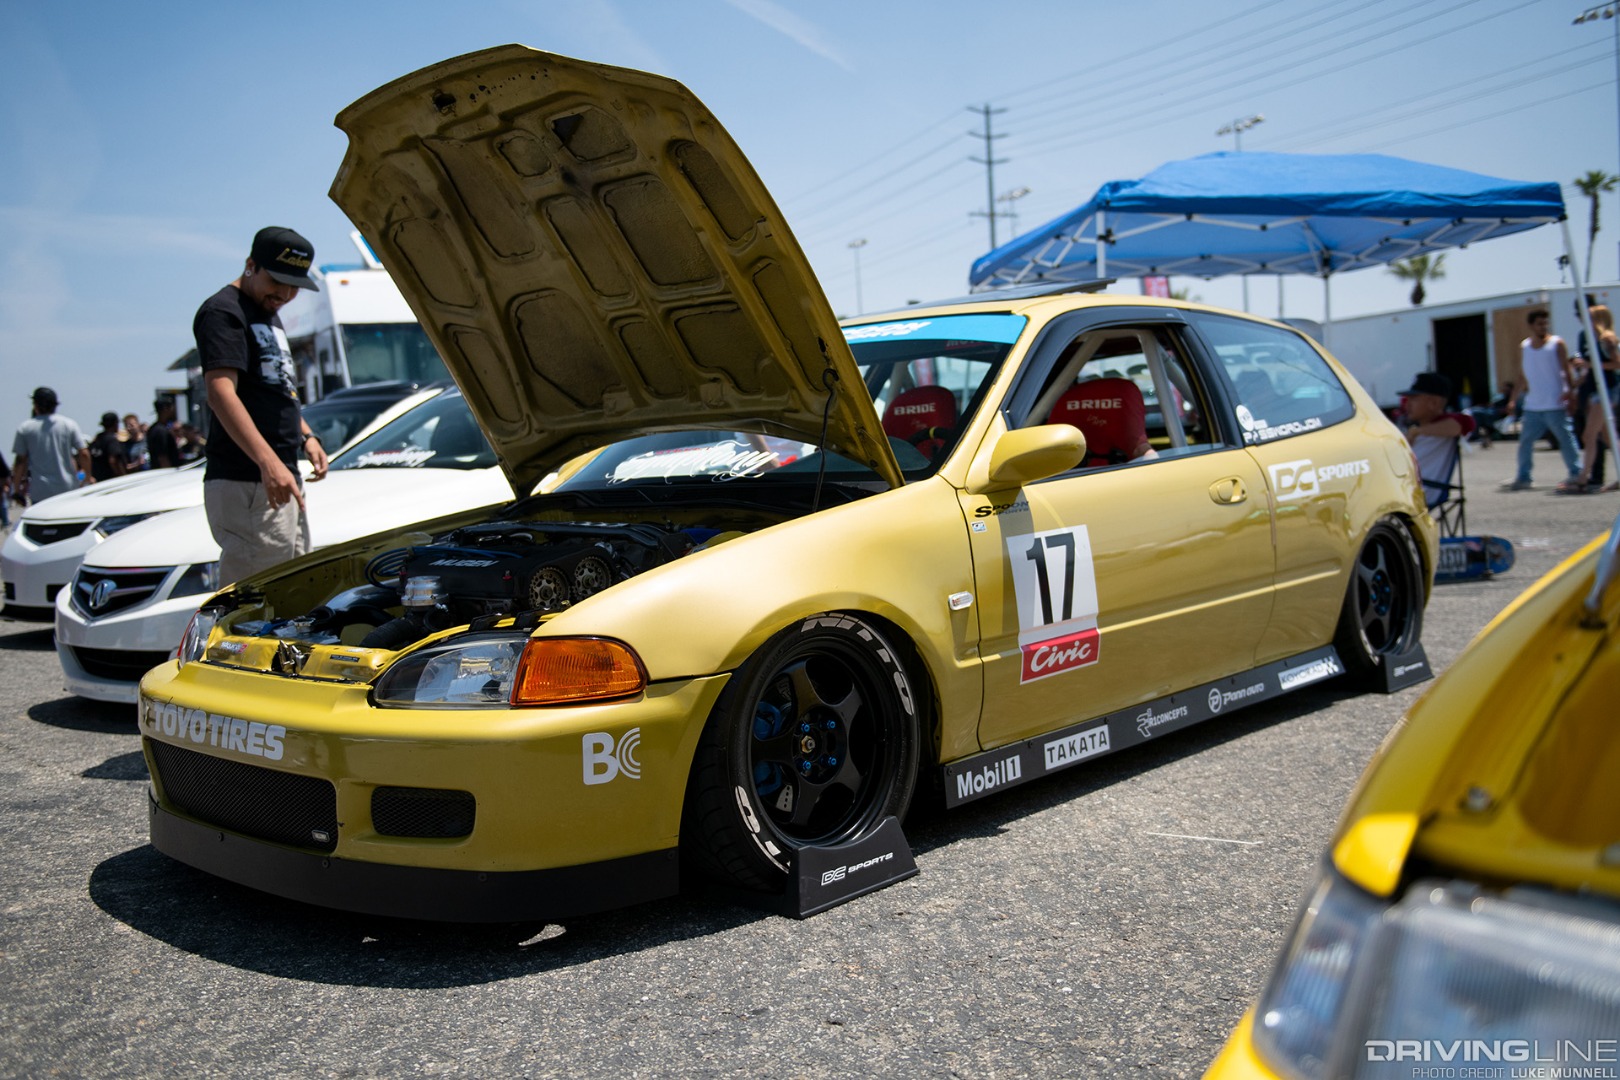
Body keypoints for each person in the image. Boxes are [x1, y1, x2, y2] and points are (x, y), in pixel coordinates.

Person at [194, 226, 329, 584]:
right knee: (257, 607)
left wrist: (306, 436)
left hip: (280, 473)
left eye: (294, 285)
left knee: (292, 591)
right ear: (251, 265)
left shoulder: (266, 311)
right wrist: (267, 462)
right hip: (248, 479)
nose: (285, 294)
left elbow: (277, 387)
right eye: (277, 281)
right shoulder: (224, 311)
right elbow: (221, 392)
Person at [1509, 309, 1582, 491]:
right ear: (1531, 326)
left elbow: (1566, 370)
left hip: (1555, 403)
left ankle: (1576, 473)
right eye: (1540, 323)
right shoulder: (1525, 346)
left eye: (1545, 323)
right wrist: (1513, 399)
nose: (1544, 326)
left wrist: (1571, 393)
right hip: (1533, 405)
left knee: (1565, 439)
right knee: (1526, 441)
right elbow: (1522, 375)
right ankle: (1523, 476)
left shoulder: (1556, 344)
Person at [1566, 304, 1620, 494]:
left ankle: (1583, 477)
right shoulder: (1587, 337)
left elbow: (1617, 363)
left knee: (1589, 434)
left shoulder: (1607, 338)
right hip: (1595, 388)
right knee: (1608, 437)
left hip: (1608, 389)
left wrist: (1591, 364)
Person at [1399, 372, 1474, 506]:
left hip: (1420, 492)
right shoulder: (1416, 429)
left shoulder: (1445, 425)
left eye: (1414, 398)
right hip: (1405, 489)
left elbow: (1464, 423)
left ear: (1434, 403)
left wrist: (1418, 432)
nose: (1407, 404)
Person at [11, 387, 91, 505]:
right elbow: (84, 453)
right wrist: (87, 477)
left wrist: (17, 489)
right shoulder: (68, 424)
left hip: (40, 490)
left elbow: (20, 461)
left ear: (36, 405)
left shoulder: (25, 428)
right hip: (68, 487)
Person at [88, 411, 128, 482]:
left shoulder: (97, 439)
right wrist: (122, 477)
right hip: (111, 481)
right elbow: (113, 460)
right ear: (115, 424)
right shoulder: (111, 440)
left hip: (98, 480)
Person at [146, 396, 180, 469]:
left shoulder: (154, 428)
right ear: (165, 409)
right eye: (171, 408)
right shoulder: (160, 431)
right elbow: (162, 457)